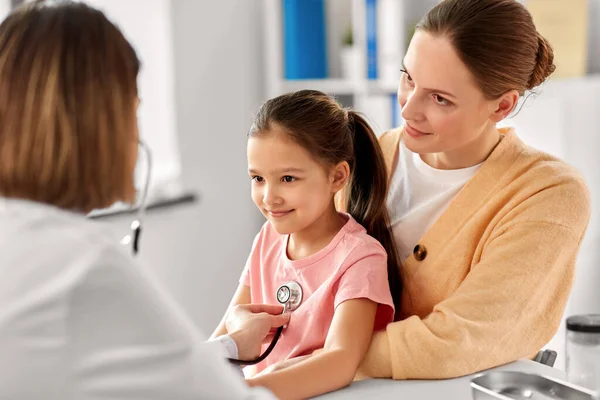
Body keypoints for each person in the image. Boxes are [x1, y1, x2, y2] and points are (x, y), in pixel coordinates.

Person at [0, 2, 289, 399]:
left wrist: (231, 345)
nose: (138, 135)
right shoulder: (80, 265)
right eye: (134, 111)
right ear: (101, 125)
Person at [350, 0, 591, 380]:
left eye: (440, 98)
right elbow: (285, 279)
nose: (409, 109)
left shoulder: (548, 193)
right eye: (408, 77)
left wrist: (315, 349)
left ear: (502, 106)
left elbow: (456, 343)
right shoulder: (362, 159)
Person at [210, 89, 402, 399]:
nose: (269, 197)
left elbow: (340, 362)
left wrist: (242, 392)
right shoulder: (268, 238)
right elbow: (225, 333)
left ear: (337, 177)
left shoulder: (360, 257)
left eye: (287, 178)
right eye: (257, 178)